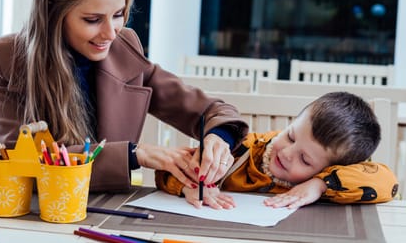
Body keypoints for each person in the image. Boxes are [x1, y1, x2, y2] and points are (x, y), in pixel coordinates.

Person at [0, 0, 249, 192]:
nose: (111, 33)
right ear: (52, 13)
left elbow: (215, 111)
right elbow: (16, 164)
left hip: (111, 213)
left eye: (118, 14)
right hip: (36, 220)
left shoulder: (123, 48)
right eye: (93, 19)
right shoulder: (3, 58)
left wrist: (218, 137)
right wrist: (134, 154)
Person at [156, 91, 399, 208]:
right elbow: (166, 172)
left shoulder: (332, 177)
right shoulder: (241, 151)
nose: (287, 154)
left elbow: (388, 182)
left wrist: (319, 185)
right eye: (291, 136)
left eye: (305, 160)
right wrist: (191, 185)